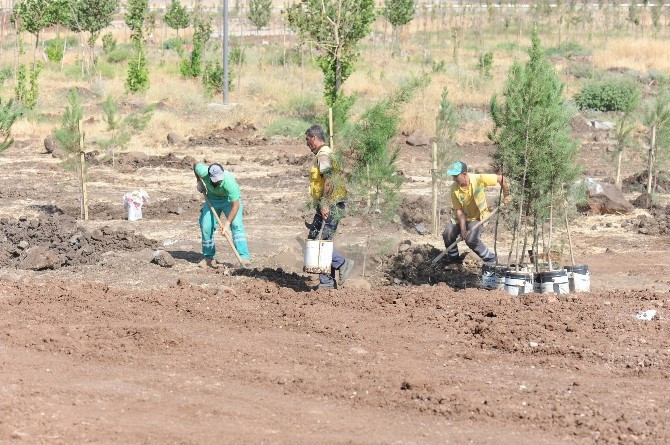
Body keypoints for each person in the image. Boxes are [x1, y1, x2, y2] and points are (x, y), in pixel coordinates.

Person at [305, 124, 355, 290]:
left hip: (331, 203)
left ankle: (341, 264)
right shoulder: (323, 154)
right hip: (327, 203)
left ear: (314, 138)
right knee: (315, 241)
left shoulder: (324, 155)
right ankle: (327, 280)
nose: (307, 144)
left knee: (320, 243)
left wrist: (325, 204)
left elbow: (329, 179)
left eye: (308, 140)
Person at [443, 161, 510, 265]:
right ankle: (454, 261)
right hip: (460, 217)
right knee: (447, 234)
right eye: (453, 176)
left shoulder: (479, 179)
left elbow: (501, 179)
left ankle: (491, 260)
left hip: (478, 217)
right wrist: (463, 229)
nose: (454, 179)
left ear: (464, 174)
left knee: (471, 240)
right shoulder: (454, 188)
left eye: (456, 176)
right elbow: (459, 210)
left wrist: (506, 194)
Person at [194, 162, 251, 268]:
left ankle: (244, 257)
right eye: (215, 179)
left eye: (220, 178)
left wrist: (227, 224)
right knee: (206, 226)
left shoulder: (229, 182)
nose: (218, 181)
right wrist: (199, 181)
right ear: (209, 176)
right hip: (212, 200)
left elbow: (235, 206)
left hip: (229, 201)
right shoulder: (203, 172)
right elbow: (195, 164)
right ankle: (209, 257)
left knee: (236, 225)